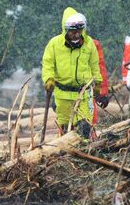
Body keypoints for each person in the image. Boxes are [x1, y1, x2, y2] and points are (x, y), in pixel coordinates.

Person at [41, 7, 103, 139]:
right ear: (66, 30)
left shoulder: (89, 43)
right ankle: (64, 153)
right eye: (73, 32)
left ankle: (85, 153)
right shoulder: (54, 44)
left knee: (84, 127)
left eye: (79, 32)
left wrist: (98, 83)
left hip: (83, 94)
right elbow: (48, 64)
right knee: (64, 128)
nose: (76, 35)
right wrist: (49, 79)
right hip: (62, 95)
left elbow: (94, 65)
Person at [74, 12, 110, 135]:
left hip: (86, 90)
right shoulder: (59, 45)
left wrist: (103, 92)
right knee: (66, 122)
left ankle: (89, 147)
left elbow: (100, 69)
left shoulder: (93, 44)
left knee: (89, 122)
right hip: (67, 92)